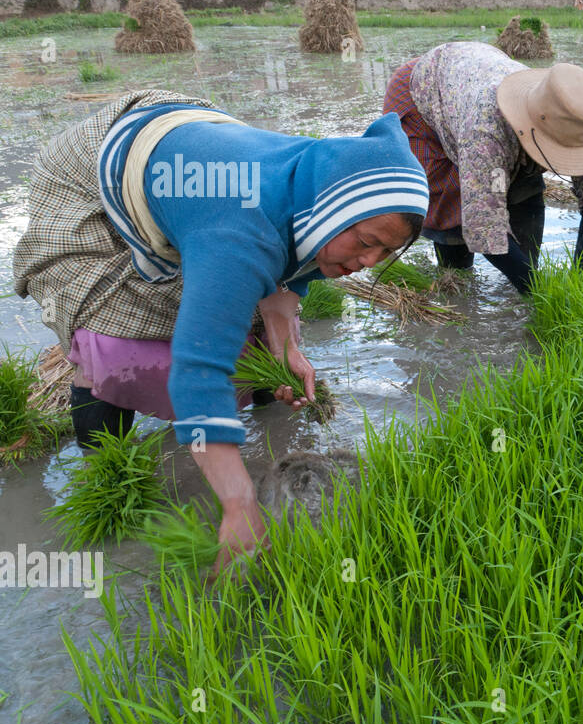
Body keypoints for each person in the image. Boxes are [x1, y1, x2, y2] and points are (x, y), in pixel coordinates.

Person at [13, 90, 430, 571]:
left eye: (385, 254)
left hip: (197, 154)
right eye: (366, 242)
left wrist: (285, 348)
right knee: (114, 335)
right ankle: (103, 469)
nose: (366, 264)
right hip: (95, 166)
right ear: (337, 207)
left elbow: (287, 271)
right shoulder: (241, 231)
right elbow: (198, 373)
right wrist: (239, 504)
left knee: (239, 311)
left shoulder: (318, 185)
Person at [384, 43, 583, 296]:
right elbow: (483, 227)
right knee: (454, 207)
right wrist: (541, 292)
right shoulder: (486, 128)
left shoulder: (579, 116)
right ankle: (457, 287)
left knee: (524, 190)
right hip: (427, 94)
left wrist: (582, 274)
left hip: (477, 77)